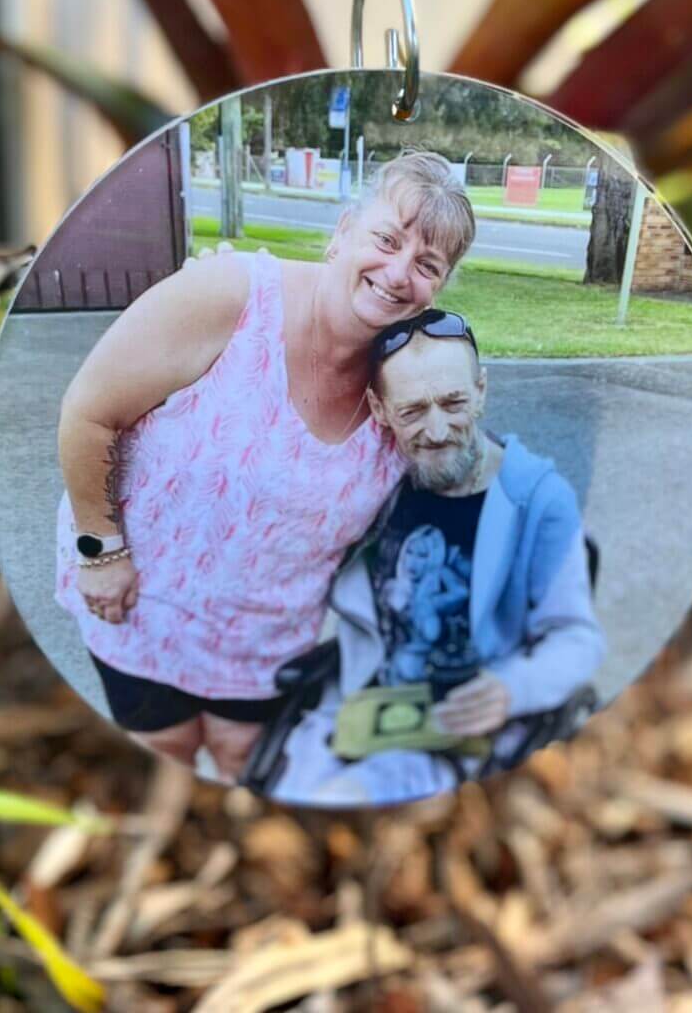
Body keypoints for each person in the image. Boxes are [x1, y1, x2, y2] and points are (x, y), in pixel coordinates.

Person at [54, 152, 475, 781]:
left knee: (240, 758)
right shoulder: (230, 294)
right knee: (162, 753)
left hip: (269, 640)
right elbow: (88, 412)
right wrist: (100, 549)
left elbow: (449, 480)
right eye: (386, 240)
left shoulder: (408, 375)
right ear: (342, 232)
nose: (397, 273)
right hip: (141, 606)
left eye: (426, 264)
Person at [274, 309, 606, 806]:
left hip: (470, 732)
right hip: (365, 707)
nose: (436, 430)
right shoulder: (370, 483)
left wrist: (513, 688)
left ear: (481, 390)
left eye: (454, 402)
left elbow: (577, 637)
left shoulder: (539, 499)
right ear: (380, 409)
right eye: (412, 411)